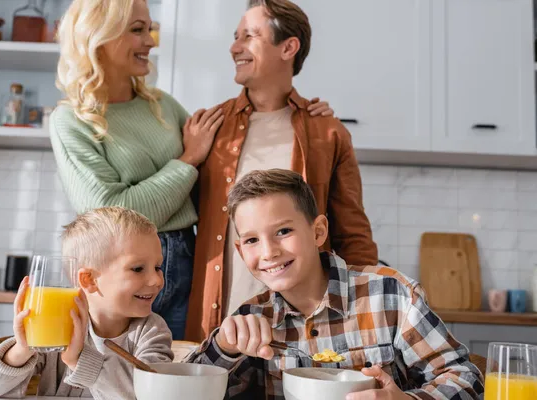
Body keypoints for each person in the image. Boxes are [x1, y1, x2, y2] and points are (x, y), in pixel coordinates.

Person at [50, 0, 334, 340]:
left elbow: (217, 175)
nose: (151, 41)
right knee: (124, 378)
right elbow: (111, 213)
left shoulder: (163, 106)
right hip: (123, 269)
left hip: (187, 258)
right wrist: (187, 160)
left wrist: (302, 110)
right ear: (100, 36)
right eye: (138, 30)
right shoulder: (71, 120)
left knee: (180, 368)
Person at [187, 169, 484, 400]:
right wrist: (224, 348)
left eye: (283, 231)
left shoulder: (392, 296)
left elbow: (465, 378)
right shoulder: (250, 320)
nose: (268, 252)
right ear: (240, 251)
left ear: (318, 231)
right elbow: (191, 391)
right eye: (252, 240)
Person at [186, 0, 378, 342]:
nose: (234, 47)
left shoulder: (327, 132)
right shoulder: (208, 128)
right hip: (218, 321)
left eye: (249, 36)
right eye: (235, 36)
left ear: (288, 47)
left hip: (304, 330)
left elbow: (353, 236)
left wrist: (368, 317)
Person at [0, 207, 174, 399]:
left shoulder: (151, 332)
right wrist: (22, 350)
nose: (157, 280)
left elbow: (152, 394)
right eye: (138, 269)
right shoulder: (56, 324)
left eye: (157, 267)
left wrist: (80, 359)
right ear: (89, 279)